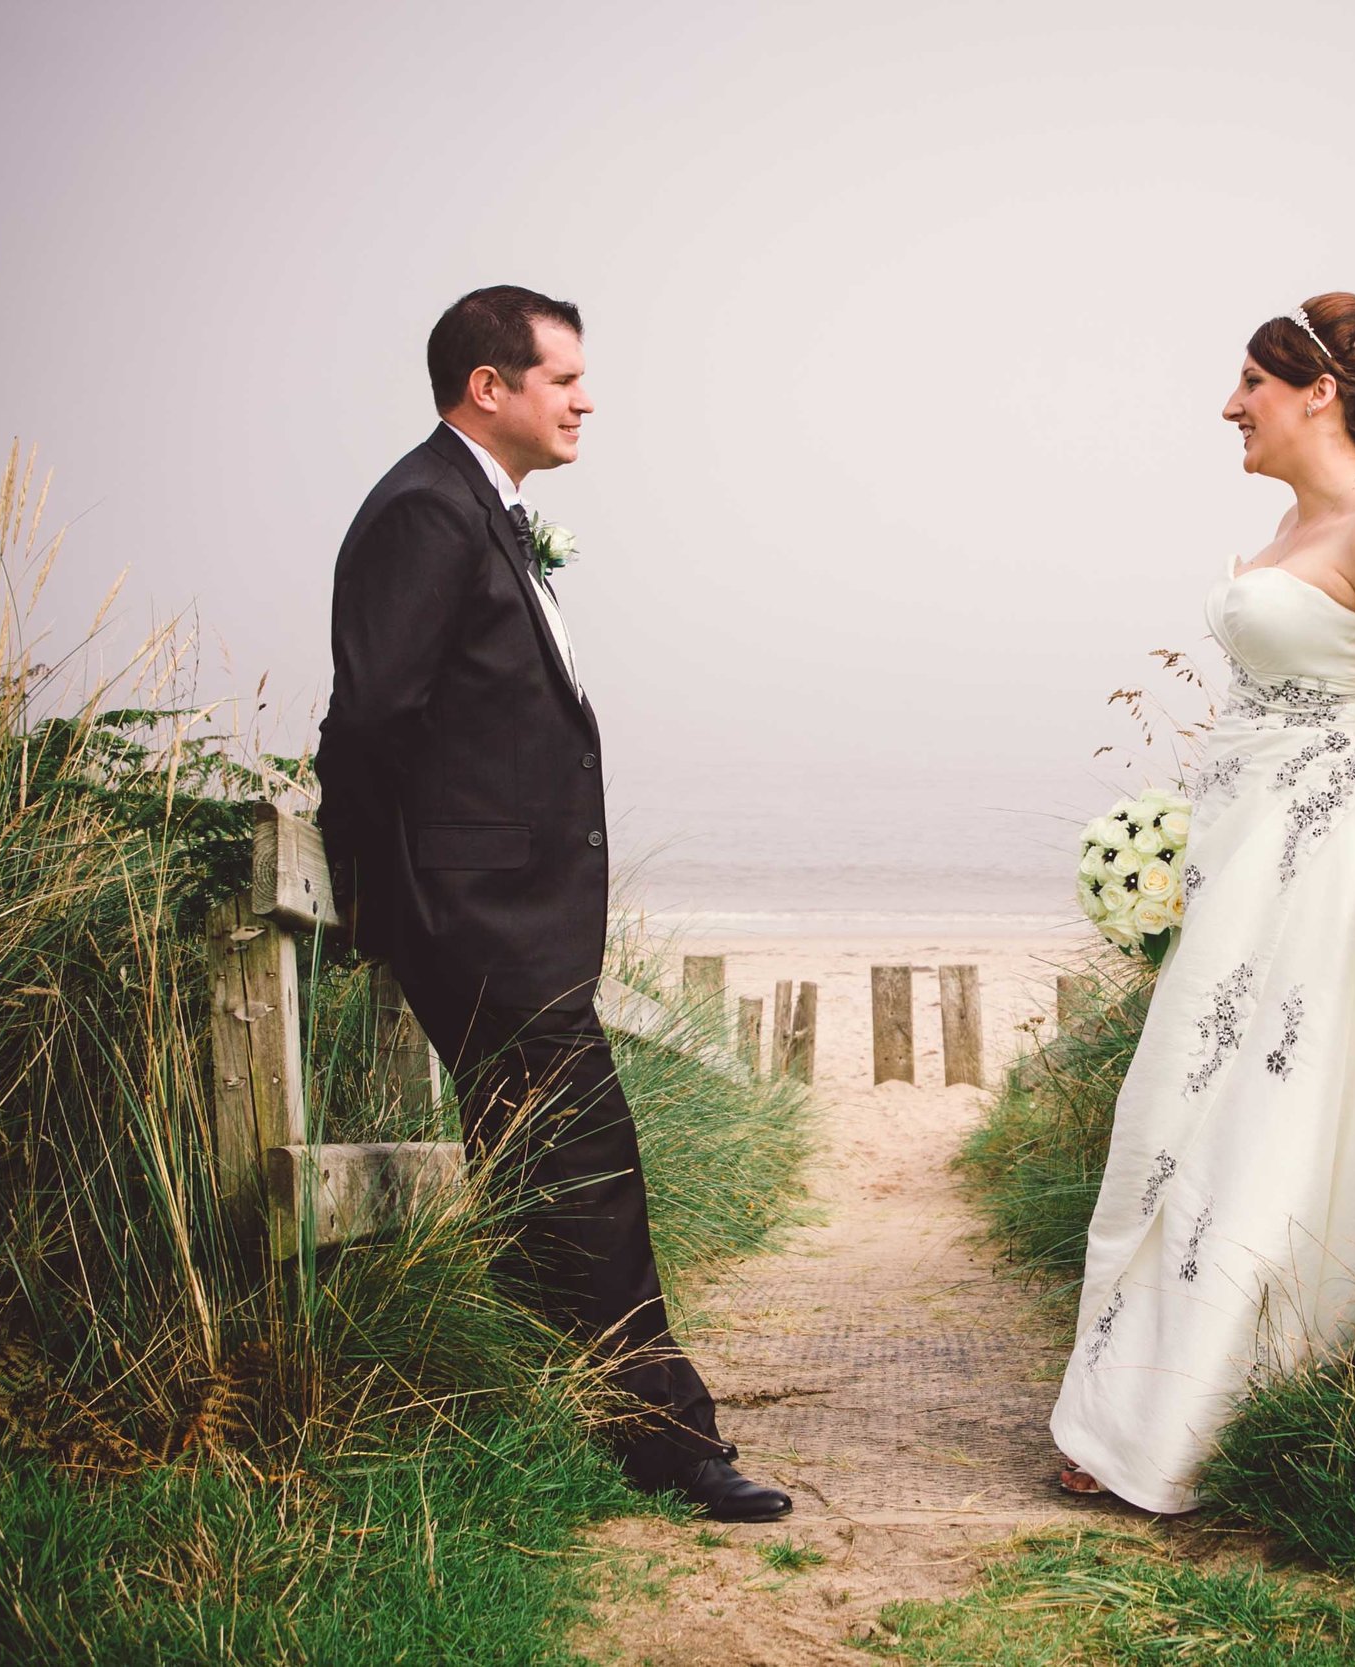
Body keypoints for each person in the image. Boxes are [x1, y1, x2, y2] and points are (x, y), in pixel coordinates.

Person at [1049, 292, 1355, 1512]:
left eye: (1250, 386)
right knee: (1179, 1104)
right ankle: (1131, 1395)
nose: (1229, 407)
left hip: (1320, 864)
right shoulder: (1286, 524)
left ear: (1318, 392)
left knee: (1254, 1118)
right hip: (1239, 853)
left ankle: (1192, 1416)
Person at [314, 285, 790, 1523]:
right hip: (478, 913)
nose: (586, 399)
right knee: (589, 1167)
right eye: (564, 377)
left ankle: (539, 1406)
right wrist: (384, 894)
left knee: (534, 1168)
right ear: (490, 385)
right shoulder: (426, 509)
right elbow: (369, 714)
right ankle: (672, 1445)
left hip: (502, 910)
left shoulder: (484, 510)